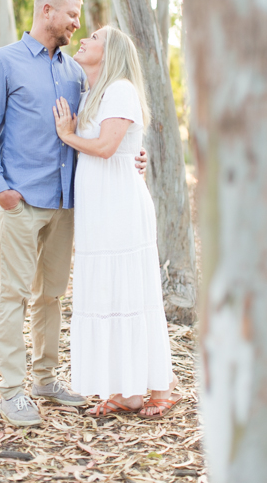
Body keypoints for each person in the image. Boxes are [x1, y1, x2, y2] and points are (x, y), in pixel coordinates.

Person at [0, 0, 147, 427]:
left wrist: (133, 154)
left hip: (67, 205)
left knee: (50, 296)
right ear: (46, 10)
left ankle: (45, 379)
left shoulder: (75, 71)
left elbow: (101, 127)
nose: (76, 24)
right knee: (12, 295)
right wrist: (0, 188)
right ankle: (12, 391)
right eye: (71, 15)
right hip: (20, 203)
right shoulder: (2, 62)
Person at [53, 26, 181, 418]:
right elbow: (122, 146)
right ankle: (128, 392)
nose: (84, 39)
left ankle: (161, 389)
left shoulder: (121, 88)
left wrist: (67, 135)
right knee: (109, 295)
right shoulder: (92, 93)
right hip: (98, 210)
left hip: (122, 207)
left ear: (110, 52)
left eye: (93, 36)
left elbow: (107, 148)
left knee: (134, 294)